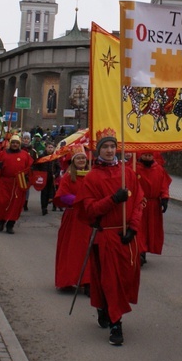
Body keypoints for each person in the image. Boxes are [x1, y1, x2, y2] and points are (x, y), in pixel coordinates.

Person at [74, 128, 145, 346]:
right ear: (98, 150)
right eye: (105, 147)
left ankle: (104, 306)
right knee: (111, 281)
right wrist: (113, 199)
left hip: (126, 236)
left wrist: (133, 227)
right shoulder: (92, 177)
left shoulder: (128, 173)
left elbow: (139, 202)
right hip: (106, 237)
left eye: (112, 146)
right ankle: (116, 324)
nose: (109, 150)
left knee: (124, 280)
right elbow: (90, 210)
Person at [53, 145, 92, 292]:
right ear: (73, 161)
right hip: (74, 217)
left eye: (83, 158)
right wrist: (81, 200)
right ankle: (68, 280)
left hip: (89, 217)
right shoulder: (68, 177)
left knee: (88, 250)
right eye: (79, 158)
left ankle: (87, 281)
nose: (81, 160)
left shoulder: (92, 175)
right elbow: (63, 195)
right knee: (72, 250)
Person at [0, 134, 34, 234]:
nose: (15, 145)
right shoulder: (2, 154)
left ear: (19, 144)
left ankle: (10, 224)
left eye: (17, 143)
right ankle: (1, 221)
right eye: (13, 143)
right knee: (2, 202)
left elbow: (30, 168)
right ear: (10, 144)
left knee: (15, 205)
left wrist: (27, 177)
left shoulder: (25, 154)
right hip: (3, 183)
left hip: (18, 184)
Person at [135, 151, 172, 265]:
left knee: (150, 230)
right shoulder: (134, 168)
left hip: (153, 205)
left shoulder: (159, 169)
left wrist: (164, 198)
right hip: (139, 203)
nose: (147, 157)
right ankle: (139, 252)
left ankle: (144, 251)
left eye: (149, 155)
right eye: (145, 155)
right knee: (139, 228)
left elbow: (163, 185)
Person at [38, 141, 60, 215]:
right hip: (43, 177)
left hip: (51, 178)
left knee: (50, 193)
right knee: (43, 193)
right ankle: (43, 207)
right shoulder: (42, 156)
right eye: (49, 147)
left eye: (51, 147)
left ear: (54, 148)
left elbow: (58, 168)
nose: (50, 149)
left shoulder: (55, 157)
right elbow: (37, 166)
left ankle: (48, 204)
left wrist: (56, 175)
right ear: (46, 148)